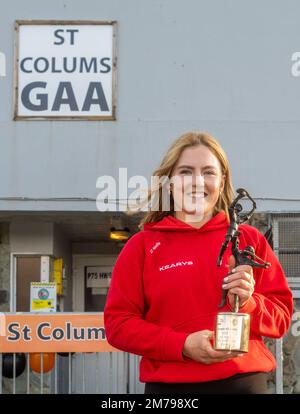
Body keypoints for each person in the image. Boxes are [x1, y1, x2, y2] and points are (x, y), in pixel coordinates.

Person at [104, 131, 293, 394]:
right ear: (169, 182)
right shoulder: (142, 246)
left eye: (208, 172)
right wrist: (181, 345)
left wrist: (249, 302)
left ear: (222, 181)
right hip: (170, 389)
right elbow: (118, 325)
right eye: (185, 171)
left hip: (245, 384)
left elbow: (282, 318)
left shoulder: (249, 239)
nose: (197, 181)